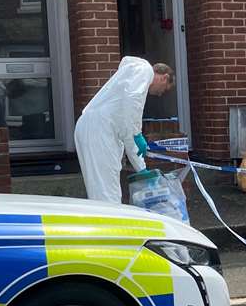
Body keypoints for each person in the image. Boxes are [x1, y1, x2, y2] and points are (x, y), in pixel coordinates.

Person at [74, 57, 175, 204]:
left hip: (95, 129)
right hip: (98, 130)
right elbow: (132, 101)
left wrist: (142, 169)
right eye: (165, 89)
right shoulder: (145, 70)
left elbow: (129, 134)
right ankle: (110, 225)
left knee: (102, 191)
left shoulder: (130, 85)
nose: (160, 94)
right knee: (106, 194)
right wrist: (137, 133)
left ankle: (107, 223)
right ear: (164, 77)